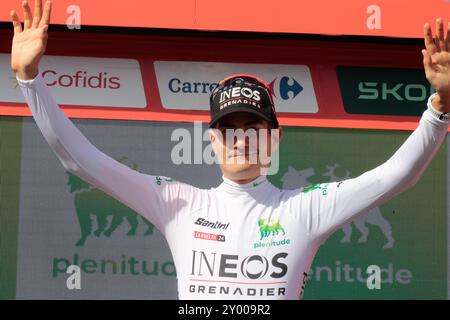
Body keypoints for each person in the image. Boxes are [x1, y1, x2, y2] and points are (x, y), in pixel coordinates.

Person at [9, 0, 450, 300]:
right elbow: (79, 159)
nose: (241, 138)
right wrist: (30, 83)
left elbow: (396, 175)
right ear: (213, 140)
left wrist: (439, 108)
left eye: (253, 127)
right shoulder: (177, 201)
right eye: (229, 128)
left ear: (274, 139)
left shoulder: (303, 209)